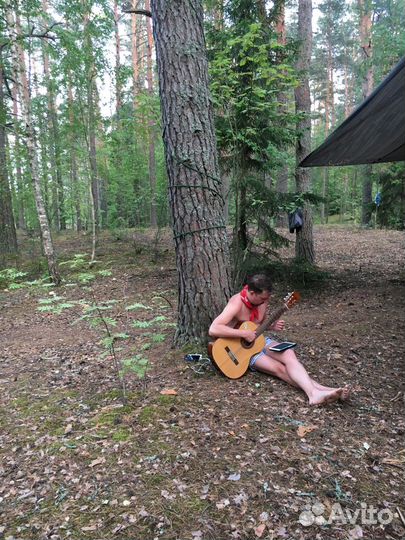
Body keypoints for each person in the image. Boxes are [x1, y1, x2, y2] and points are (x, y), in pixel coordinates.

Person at [208, 273, 350, 406]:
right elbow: (214, 329)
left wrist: (271, 326)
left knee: (288, 354)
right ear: (251, 293)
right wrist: (243, 334)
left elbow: (256, 326)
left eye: (267, 298)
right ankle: (318, 392)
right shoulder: (236, 303)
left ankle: (321, 392)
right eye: (263, 299)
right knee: (278, 368)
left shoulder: (261, 302)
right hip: (238, 351)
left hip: (259, 341)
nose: (265, 301)